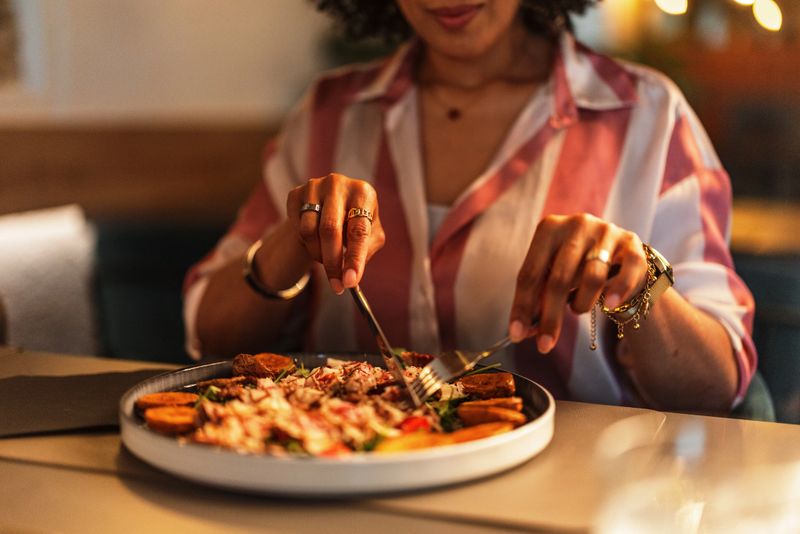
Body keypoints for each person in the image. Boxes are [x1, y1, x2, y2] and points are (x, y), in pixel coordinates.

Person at [183, 0, 756, 413]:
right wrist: (295, 237)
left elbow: (716, 385)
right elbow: (212, 339)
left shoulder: (647, 114)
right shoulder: (332, 112)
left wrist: (638, 286)